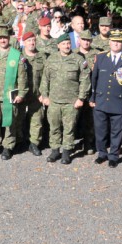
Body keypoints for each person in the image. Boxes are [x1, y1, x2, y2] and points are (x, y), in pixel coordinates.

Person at [90, 28, 122, 167]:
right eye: (113, 41)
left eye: (118, 41)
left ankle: (113, 156)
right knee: (100, 130)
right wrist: (92, 98)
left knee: (117, 131)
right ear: (109, 42)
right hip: (101, 100)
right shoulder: (100, 57)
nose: (116, 44)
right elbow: (94, 79)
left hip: (119, 102)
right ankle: (102, 153)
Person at [39, 34, 91, 164]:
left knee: (69, 128)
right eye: (63, 44)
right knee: (54, 127)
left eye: (68, 43)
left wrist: (81, 98)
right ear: (58, 45)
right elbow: (45, 79)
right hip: (54, 101)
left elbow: (85, 80)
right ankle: (55, 150)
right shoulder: (51, 59)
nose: (67, 46)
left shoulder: (78, 59)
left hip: (71, 102)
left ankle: (67, 152)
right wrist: (44, 96)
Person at [0, 27, 29, 160]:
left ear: (9, 39)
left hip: (10, 96)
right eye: (0, 38)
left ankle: (8, 146)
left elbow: (22, 77)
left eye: (5, 38)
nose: (3, 40)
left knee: (10, 122)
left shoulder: (16, 55)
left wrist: (21, 94)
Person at [20, 31, 47, 156]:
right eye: (28, 41)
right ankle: (19, 141)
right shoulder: (19, 56)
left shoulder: (42, 56)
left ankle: (34, 143)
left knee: (37, 119)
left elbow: (47, 77)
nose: (31, 43)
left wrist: (44, 94)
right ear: (24, 42)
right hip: (22, 94)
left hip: (37, 94)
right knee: (18, 118)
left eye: (33, 40)